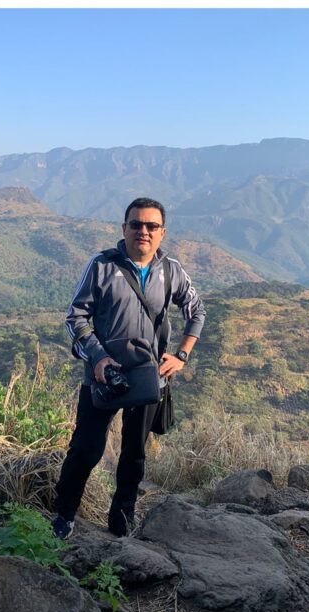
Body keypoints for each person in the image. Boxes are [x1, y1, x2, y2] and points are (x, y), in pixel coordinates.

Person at [53, 198, 205, 539]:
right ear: (124, 229)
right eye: (136, 224)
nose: (143, 231)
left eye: (152, 226)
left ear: (162, 233)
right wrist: (97, 357)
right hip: (103, 376)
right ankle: (63, 515)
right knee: (85, 449)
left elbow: (197, 312)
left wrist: (181, 355)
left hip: (148, 379)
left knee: (134, 454)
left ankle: (122, 520)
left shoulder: (171, 271)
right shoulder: (102, 266)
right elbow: (75, 316)